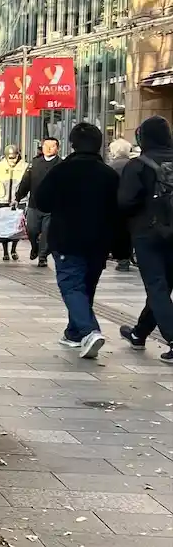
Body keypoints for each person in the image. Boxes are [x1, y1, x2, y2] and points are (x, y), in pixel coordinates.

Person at [35, 122, 126, 359]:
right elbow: (120, 213)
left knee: (72, 286)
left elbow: (41, 201)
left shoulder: (62, 171)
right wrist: (121, 248)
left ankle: (88, 331)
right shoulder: (109, 175)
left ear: (73, 144)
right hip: (99, 242)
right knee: (86, 287)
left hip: (67, 238)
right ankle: (74, 333)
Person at [117, 116, 173, 362]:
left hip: (148, 233)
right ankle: (139, 333)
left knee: (157, 286)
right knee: (163, 286)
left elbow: (125, 202)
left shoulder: (138, 165)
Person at [15, 137, 61, 267]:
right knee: (31, 230)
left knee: (47, 232)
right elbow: (26, 181)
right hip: (34, 204)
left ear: (57, 148)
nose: (48, 148)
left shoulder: (62, 165)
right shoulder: (35, 163)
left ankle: (42, 256)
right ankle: (34, 247)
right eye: (46, 146)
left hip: (52, 207)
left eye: (52, 146)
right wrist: (18, 197)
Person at [0, 145, 29, 261]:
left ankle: (13, 249)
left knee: (16, 227)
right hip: (1, 200)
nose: (13, 160)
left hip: (19, 200)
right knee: (3, 227)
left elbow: (28, 183)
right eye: (10, 157)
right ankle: (5, 251)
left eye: (14, 157)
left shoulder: (25, 167)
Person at [108, 137, 135, 272]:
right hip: (132, 203)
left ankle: (122, 260)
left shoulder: (110, 167)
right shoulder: (134, 165)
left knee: (119, 232)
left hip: (115, 204)